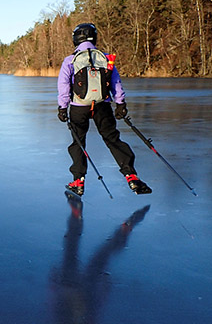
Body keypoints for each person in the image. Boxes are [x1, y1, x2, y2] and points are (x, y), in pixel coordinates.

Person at [57, 23, 151, 196]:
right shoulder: (106, 58)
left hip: (79, 107)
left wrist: (63, 107)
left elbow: (63, 85)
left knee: (78, 142)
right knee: (112, 139)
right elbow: (115, 82)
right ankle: (131, 176)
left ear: (76, 39)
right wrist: (120, 103)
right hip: (102, 106)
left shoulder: (70, 60)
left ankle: (78, 180)